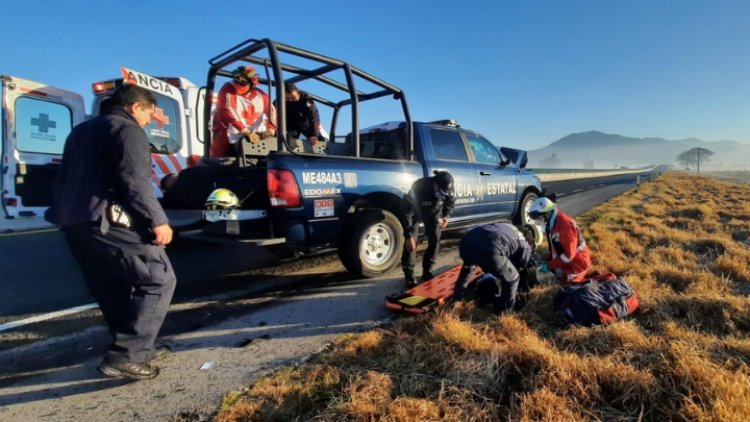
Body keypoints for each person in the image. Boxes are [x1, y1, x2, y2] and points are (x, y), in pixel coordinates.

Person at [45, 84, 177, 381]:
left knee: (111, 286)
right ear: (135, 107)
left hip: (72, 222)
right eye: (149, 113)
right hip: (105, 220)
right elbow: (133, 180)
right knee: (158, 278)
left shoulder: (80, 131)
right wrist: (158, 220)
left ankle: (135, 348)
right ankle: (126, 356)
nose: (148, 120)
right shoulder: (127, 129)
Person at [452, 223, 534, 313]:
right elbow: (519, 267)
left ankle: (457, 299)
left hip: (466, 242)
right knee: (513, 279)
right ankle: (505, 312)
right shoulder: (526, 244)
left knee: (468, 269)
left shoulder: (507, 227)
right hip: (491, 249)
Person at [401, 171, 455, 286]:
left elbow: (450, 202)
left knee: (435, 239)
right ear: (434, 183)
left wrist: (446, 216)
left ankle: (427, 270)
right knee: (411, 244)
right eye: (440, 191)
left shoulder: (448, 188)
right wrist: (408, 235)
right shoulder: (419, 186)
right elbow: (407, 212)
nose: (442, 194)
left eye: (444, 193)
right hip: (415, 211)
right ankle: (409, 274)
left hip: (433, 212)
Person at [210, 65, 277, 158]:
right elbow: (227, 109)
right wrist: (246, 131)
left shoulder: (261, 95)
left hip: (254, 139)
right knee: (218, 163)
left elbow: (272, 111)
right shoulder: (228, 88)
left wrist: (271, 128)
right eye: (237, 80)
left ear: (251, 84)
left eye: (243, 82)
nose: (238, 84)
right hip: (227, 136)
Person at [528, 197, 592, 283]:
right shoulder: (552, 223)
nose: (539, 222)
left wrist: (549, 265)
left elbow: (568, 255)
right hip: (568, 260)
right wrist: (547, 258)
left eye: (539, 218)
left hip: (578, 263)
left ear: (547, 213)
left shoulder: (565, 225)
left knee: (567, 285)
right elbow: (557, 247)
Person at [282, 82, 324, 147]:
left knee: (318, 139)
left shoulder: (306, 99)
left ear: (298, 93)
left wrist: (314, 134)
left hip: (305, 122)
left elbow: (314, 115)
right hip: (291, 124)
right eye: (287, 98)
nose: (290, 100)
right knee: (287, 140)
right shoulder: (279, 101)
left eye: (293, 98)